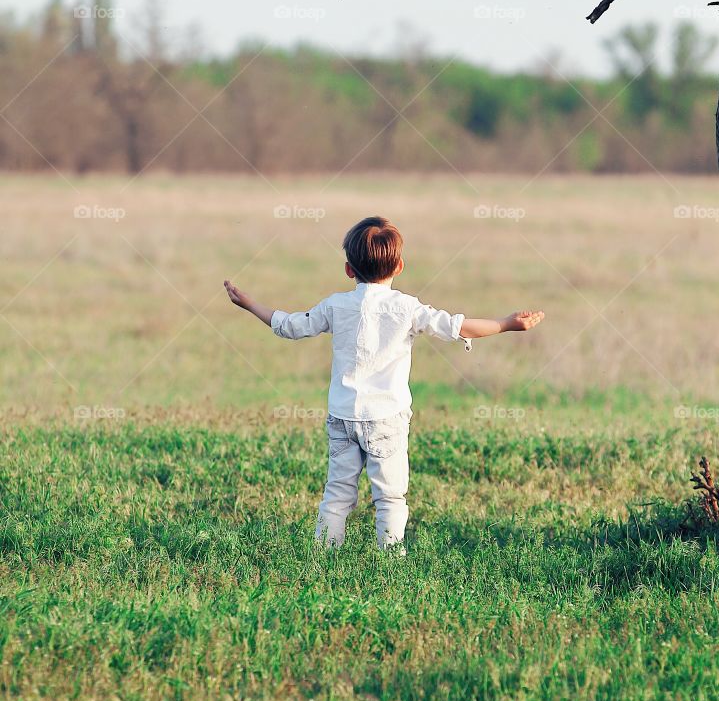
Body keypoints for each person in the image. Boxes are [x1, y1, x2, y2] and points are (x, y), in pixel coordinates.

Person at [224, 215, 544, 550]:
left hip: (343, 416)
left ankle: (323, 558)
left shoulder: (335, 305)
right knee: (390, 497)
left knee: (336, 496)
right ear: (400, 266)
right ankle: (390, 561)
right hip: (387, 420)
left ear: (349, 269)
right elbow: (457, 327)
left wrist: (249, 304)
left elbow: (289, 325)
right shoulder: (406, 308)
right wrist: (506, 324)